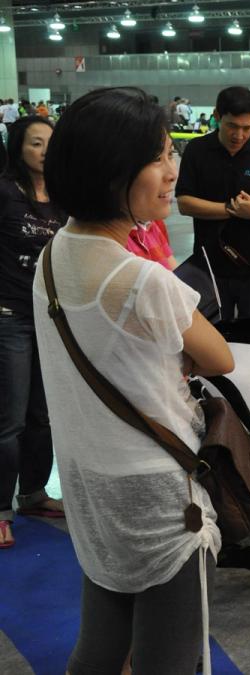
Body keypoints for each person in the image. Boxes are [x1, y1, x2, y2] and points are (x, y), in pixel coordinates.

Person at [36, 86, 234, 674]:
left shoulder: (52, 256)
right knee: (168, 657)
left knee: (100, 639)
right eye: (158, 157)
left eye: (171, 153)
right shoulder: (144, 282)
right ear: (112, 169)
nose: (172, 171)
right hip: (157, 494)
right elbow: (218, 356)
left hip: (87, 480)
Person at [0, 116, 67, 549]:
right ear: (18, 149)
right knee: (9, 419)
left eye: (50, 143)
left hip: (50, 316)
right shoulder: (5, 192)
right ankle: (1, 510)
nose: (44, 151)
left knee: (43, 415)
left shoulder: (64, 197)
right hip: (10, 316)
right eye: (35, 143)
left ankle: (34, 493)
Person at [176, 86, 250, 322]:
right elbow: (185, 203)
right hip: (209, 265)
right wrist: (234, 210)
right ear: (217, 116)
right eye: (232, 126)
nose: (239, 135)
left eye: (247, 128)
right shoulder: (197, 151)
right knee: (214, 338)